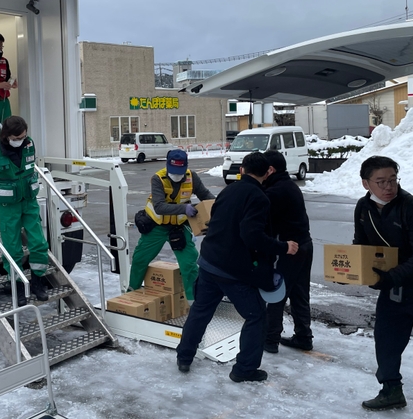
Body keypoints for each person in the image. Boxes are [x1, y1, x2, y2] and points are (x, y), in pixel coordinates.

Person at [176, 152, 298, 382]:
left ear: (242, 169)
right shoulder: (259, 197)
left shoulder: (228, 190)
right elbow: (252, 236)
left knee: (201, 312)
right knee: (255, 316)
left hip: (210, 262)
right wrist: (283, 247)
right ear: (268, 172)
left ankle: (184, 356)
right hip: (233, 271)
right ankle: (244, 370)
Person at [353, 156, 413, 411]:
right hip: (392, 290)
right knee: (386, 341)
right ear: (366, 184)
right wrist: (354, 271)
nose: (389, 187)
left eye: (393, 180)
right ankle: (391, 391)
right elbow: (362, 246)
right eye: (381, 182)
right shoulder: (363, 208)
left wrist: (391, 277)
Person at [128, 149, 215, 301]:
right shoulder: (158, 179)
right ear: (167, 165)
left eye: (180, 171)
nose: (176, 175)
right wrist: (184, 208)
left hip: (179, 227)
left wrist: (218, 206)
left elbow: (206, 196)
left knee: (189, 263)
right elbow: (159, 207)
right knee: (140, 259)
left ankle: (193, 300)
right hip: (157, 226)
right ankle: (131, 291)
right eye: (173, 171)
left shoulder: (191, 177)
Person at [0, 116, 48, 306]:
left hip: (29, 201)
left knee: (38, 243)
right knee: (12, 248)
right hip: (7, 205)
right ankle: (18, 286)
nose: (21, 140)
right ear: (7, 136)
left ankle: (38, 282)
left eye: (23, 136)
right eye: (17, 137)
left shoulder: (29, 145)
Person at [262, 150, 314, 354]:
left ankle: (270, 339)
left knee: (277, 292)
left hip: (290, 248)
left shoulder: (276, 191)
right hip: (305, 244)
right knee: (300, 293)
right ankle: (303, 336)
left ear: (271, 169)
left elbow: (264, 221)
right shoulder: (287, 185)